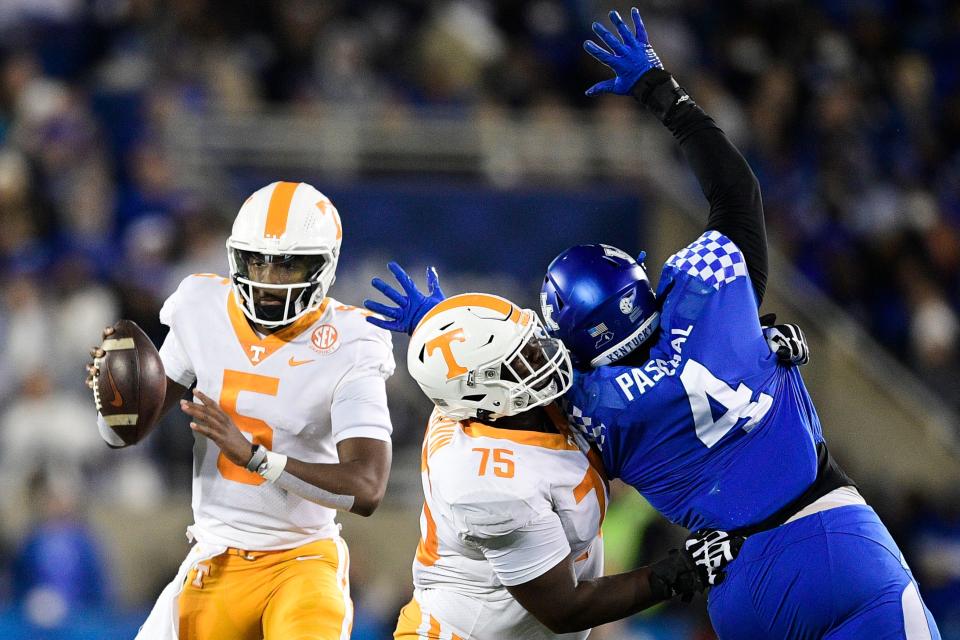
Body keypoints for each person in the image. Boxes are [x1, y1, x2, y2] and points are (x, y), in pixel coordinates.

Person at [364, 7, 941, 638]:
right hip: (835, 537)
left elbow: (504, 395)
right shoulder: (714, 299)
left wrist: (441, 329)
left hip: (736, 584)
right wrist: (664, 94)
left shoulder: (586, 407)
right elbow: (737, 195)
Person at [86, 181, 395, 640]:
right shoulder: (201, 307)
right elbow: (127, 433)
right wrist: (112, 398)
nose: (268, 279)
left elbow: (367, 487)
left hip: (301, 561)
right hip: (217, 557)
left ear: (323, 266)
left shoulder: (351, 340)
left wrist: (255, 458)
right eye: (259, 260)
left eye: (287, 264)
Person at [392, 292, 742, 639]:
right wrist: (681, 572)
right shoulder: (488, 485)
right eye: (522, 359)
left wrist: (743, 355)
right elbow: (565, 609)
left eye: (530, 342)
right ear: (485, 393)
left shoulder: (502, 404)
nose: (541, 354)